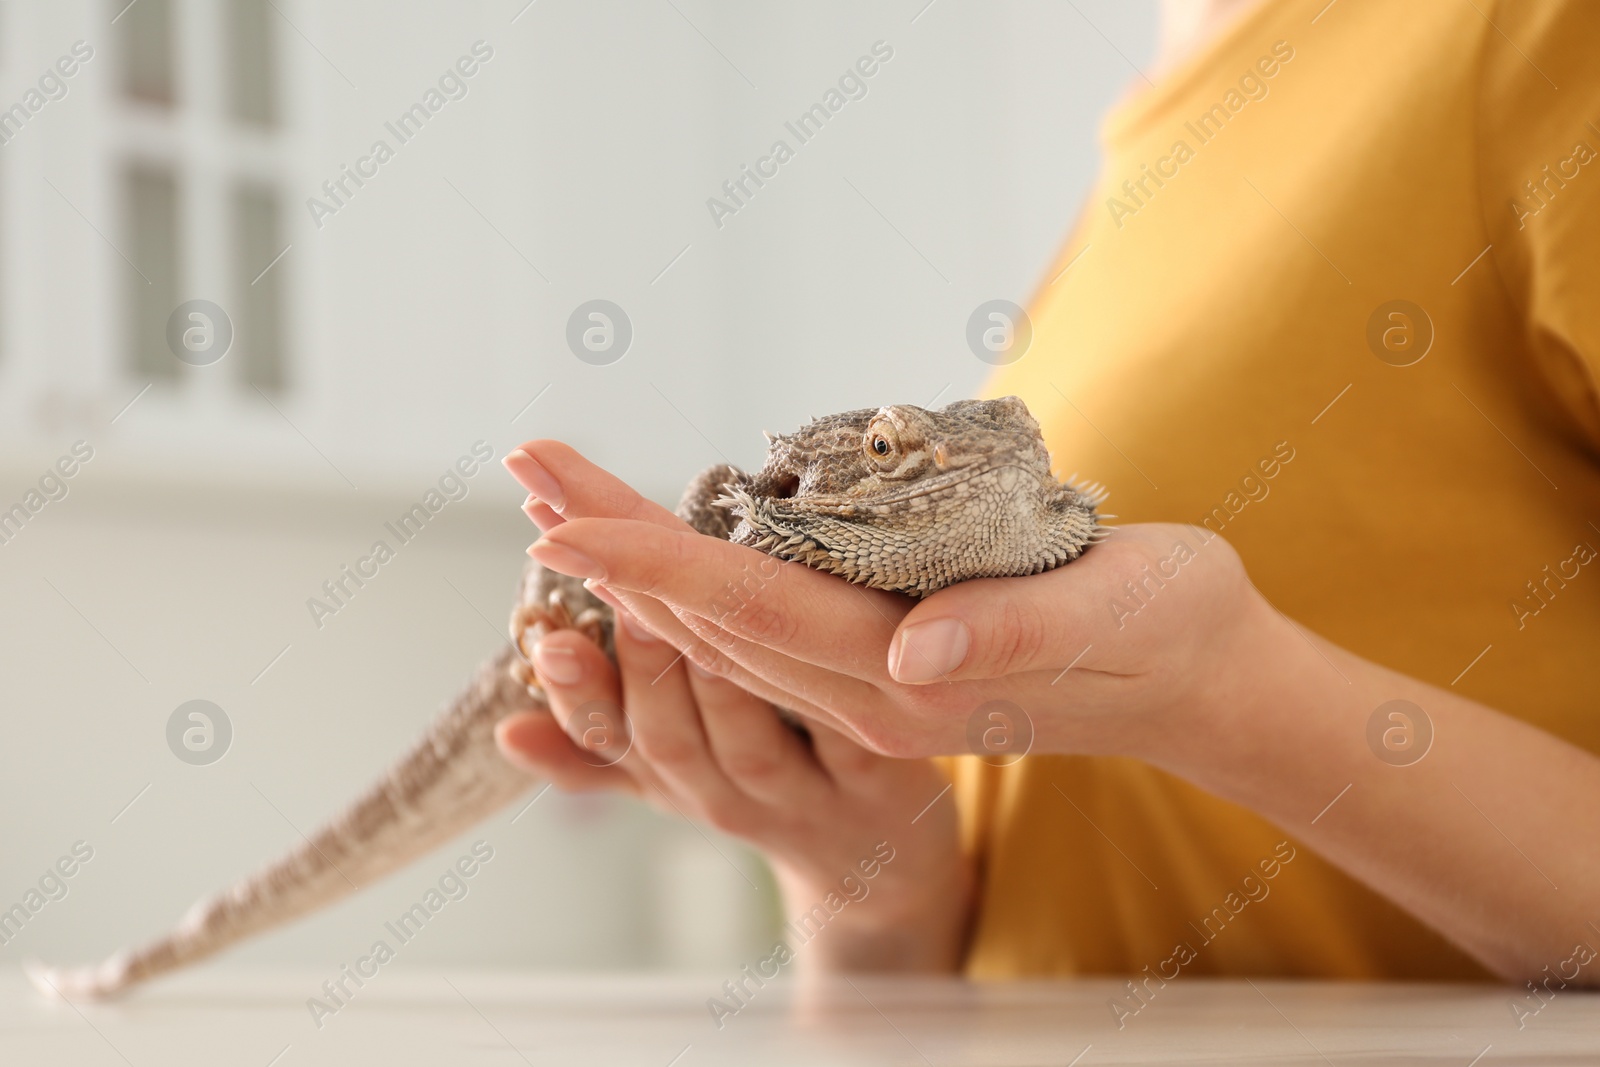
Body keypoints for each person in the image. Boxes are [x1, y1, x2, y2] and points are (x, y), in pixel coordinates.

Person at [499, 0, 1600, 986]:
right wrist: (877, 883)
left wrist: (1220, 690)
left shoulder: (1539, 35)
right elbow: (997, 940)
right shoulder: (1157, 129)